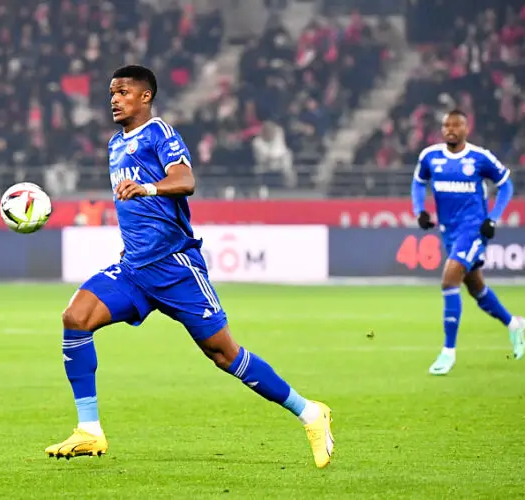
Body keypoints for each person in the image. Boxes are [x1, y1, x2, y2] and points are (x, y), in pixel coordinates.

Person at [45, 65, 334, 468]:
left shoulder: (160, 133)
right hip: (134, 271)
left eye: (123, 92)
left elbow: (185, 180)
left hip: (175, 267)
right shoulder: (115, 143)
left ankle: (309, 412)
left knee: (223, 353)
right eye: (111, 92)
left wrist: (148, 187)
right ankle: (89, 430)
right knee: (75, 317)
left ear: (145, 97)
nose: (114, 99)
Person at [411, 109, 525, 376]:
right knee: (476, 288)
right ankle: (513, 324)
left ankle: (447, 352)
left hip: (474, 230)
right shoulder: (430, 156)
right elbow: (418, 183)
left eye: (456, 125)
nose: (450, 129)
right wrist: (419, 210)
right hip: (449, 231)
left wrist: (494, 218)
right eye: (446, 125)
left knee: (449, 279)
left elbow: (506, 185)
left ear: (466, 128)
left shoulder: (479, 157)